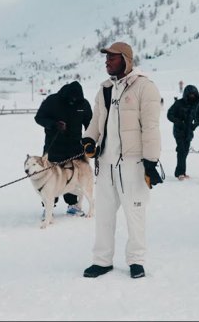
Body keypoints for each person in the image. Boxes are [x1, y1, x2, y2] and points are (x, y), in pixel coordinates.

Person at [80, 41, 162, 279]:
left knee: (134, 213)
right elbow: (96, 121)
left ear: (125, 59)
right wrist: (89, 139)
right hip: (106, 163)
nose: (107, 62)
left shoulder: (145, 87)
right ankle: (102, 260)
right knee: (104, 213)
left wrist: (151, 161)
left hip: (133, 163)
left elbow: (151, 127)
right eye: (106, 58)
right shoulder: (105, 89)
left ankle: (136, 260)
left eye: (112, 58)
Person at [34, 80, 92, 216]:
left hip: (75, 148)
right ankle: (48, 207)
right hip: (53, 147)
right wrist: (54, 124)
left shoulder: (83, 104)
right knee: (50, 177)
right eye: (71, 99)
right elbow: (39, 118)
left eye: (76, 100)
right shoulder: (52, 101)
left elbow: (90, 124)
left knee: (73, 178)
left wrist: (90, 142)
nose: (73, 101)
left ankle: (73, 205)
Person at [166, 84, 199, 180]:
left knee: (185, 151)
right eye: (190, 94)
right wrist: (178, 122)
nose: (192, 96)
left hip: (189, 131)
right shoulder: (178, 103)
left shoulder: (197, 104)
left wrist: (195, 125)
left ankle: (181, 172)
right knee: (181, 150)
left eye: (194, 94)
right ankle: (180, 173)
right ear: (186, 94)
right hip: (179, 130)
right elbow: (169, 114)